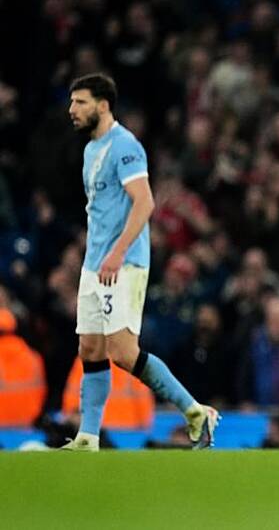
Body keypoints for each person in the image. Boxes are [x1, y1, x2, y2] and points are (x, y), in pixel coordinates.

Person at [62, 73, 218, 451]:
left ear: (102, 105)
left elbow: (144, 201)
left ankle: (195, 412)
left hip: (124, 263)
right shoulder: (90, 150)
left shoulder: (125, 146)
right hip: (95, 264)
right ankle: (87, 436)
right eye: (71, 102)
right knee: (90, 349)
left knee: (122, 352)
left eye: (80, 102)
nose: (72, 110)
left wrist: (117, 253)